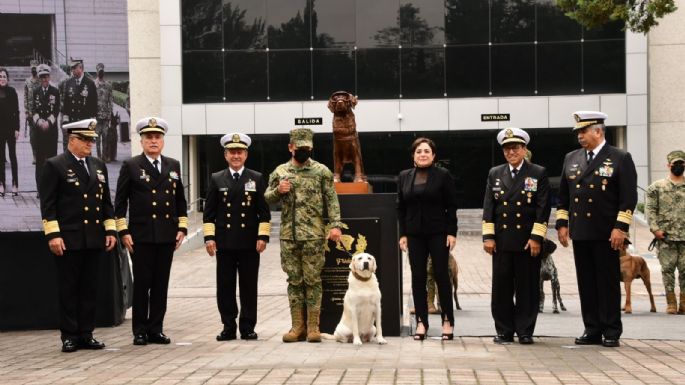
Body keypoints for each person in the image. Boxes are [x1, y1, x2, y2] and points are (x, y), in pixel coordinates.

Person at [556, 111, 637, 348]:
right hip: (580, 231)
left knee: (607, 282)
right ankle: (592, 328)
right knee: (587, 282)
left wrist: (620, 228)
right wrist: (562, 224)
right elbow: (563, 197)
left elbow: (628, 198)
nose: (580, 136)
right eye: (578, 132)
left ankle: (611, 330)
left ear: (599, 131)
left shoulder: (620, 158)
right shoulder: (571, 158)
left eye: (584, 131)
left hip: (606, 232)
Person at [38, 118, 117, 352]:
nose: (90, 144)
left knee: (89, 288)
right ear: (72, 140)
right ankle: (69, 335)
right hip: (69, 238)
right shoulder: (55, 165)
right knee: (69, 288)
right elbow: (48, 204)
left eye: (92, 140)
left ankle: (86, 333)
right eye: (85, 140)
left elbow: (106, 203)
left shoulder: (98, 165)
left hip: (93, 237)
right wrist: (53, 235)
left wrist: (110, 229)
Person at [264, 128, 343, 343]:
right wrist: (278, 190)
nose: (303, 151)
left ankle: (313, 328)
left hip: (314, 236)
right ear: (291, 147)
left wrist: (335, 225)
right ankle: (297, 327)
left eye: (307, 148)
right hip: (289, 237)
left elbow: (332, 200)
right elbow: (267, 197)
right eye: (300, 148)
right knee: (294, 281)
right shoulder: (280, 171)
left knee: (313, 280)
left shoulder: (321, 171)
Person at [114, 117, 188, 346]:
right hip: (141, 236)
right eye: (149, 138)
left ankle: (156, 329)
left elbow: (180, 201)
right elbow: (120, 203)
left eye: (157, 137)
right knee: (143, 284)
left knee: (160, 284)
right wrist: (123, 231)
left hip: (166, 235)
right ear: (142, 141)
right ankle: (140, 330)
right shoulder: (131, 165)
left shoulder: (173, 165)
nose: (153, 141)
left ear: (163, 140)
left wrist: (182, 227)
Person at [482, 128, 551, 345]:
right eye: (507, 148)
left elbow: (543, 208)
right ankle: (504, 330)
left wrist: (536, 238)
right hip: (501, 241)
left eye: (515, 148)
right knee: (501, 287)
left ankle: (524, 330)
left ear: (524, 149)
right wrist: (488, 237)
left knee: (527, 288)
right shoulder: (495, 172)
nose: (511, 152)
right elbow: (489, 207)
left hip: (526, 241)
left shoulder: (537, 172)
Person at [203, 133, 271, 341]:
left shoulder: (256, 177)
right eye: (232, 152)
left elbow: (264, 211)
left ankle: (248, 326)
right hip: (225, 242)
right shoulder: (217, 178)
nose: (236, 156)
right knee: (225, 287)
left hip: (250, 242)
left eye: (239, 152)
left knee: (249, 286)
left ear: (246, 154)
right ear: (225, 155)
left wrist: (263, 236)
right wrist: (209, 238)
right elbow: (209, 212)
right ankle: (228, 326)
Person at [397, 137, 458, 340]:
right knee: (418, 277)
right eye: (419, 151)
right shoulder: (405, 176)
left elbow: (451, 206)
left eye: (426, 151)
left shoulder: (443, 175)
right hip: (414, 234)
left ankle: (447, 320)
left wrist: (452, 232)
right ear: (413, 155)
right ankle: (421, 322)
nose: (423, 154)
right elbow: (401, 208)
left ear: (433, 155)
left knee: (441, 275)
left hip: (438, 233)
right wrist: (403, 234)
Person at [645, 150, 685, 314]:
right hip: (665, 236)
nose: (678, 166)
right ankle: (671, 302)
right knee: (667, 270)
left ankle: (684, 303)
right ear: (668, 165)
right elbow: (650, 210)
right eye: (675, 163)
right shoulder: (657, 187)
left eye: (681, 163)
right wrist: (655, 229)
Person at [32, 64, 60, 190]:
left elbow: (56, 110)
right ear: (39, 78)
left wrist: (48, 122)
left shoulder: (55, 92)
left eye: (46, 77)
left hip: (51, 131)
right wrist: (38, 121)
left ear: (49, 77)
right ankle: (40, 188)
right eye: (42, 77)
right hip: (39, 132)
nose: (44, 79)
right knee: (39, 161)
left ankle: (52, 187)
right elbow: (34, 110)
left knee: (52, 159)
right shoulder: (36, 92)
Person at [60, 58, 97, 152]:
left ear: (80, 68)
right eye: (72, 69)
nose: (72, 71)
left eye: (74, 68)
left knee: (85, 150)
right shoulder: (69, 83)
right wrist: (65, 119)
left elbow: (94, 104)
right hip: (73, 121)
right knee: (73, 150)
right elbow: (66, 102)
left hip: (84, 122)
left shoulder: (90, 83)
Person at [0, 67, 20, 197]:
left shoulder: (12, 92)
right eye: (0, 76)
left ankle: (15, 183)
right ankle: (1, 183)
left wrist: (17, 129)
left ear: (8, 79)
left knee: (13, 156)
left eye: (4, 77)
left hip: (11, 129)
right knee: (1, 157)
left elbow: (16, 112)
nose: (2, 79)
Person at [94, 63, 113, 161]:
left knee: (105, 137)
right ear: (97, 72)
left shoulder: (108, 85)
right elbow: (91, 100)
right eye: (99, 70)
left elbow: (111, 101)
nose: (100, 72)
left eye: (102, 70)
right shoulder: (93, 85)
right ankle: (98, 157)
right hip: (97, 116)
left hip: (105, 116)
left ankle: (105, 156)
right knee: (97, 138)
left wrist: (110, 114)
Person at [24, 60, 40, 164]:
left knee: (41, 135)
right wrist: (26, 111)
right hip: (30, 113)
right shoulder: (27, 82)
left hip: (39, 113)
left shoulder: (40, 81)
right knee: (33, 136)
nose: (33, 69)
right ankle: (34, 155)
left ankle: (41, 154)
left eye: (35, 67)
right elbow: (25, 96)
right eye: (32, 67)